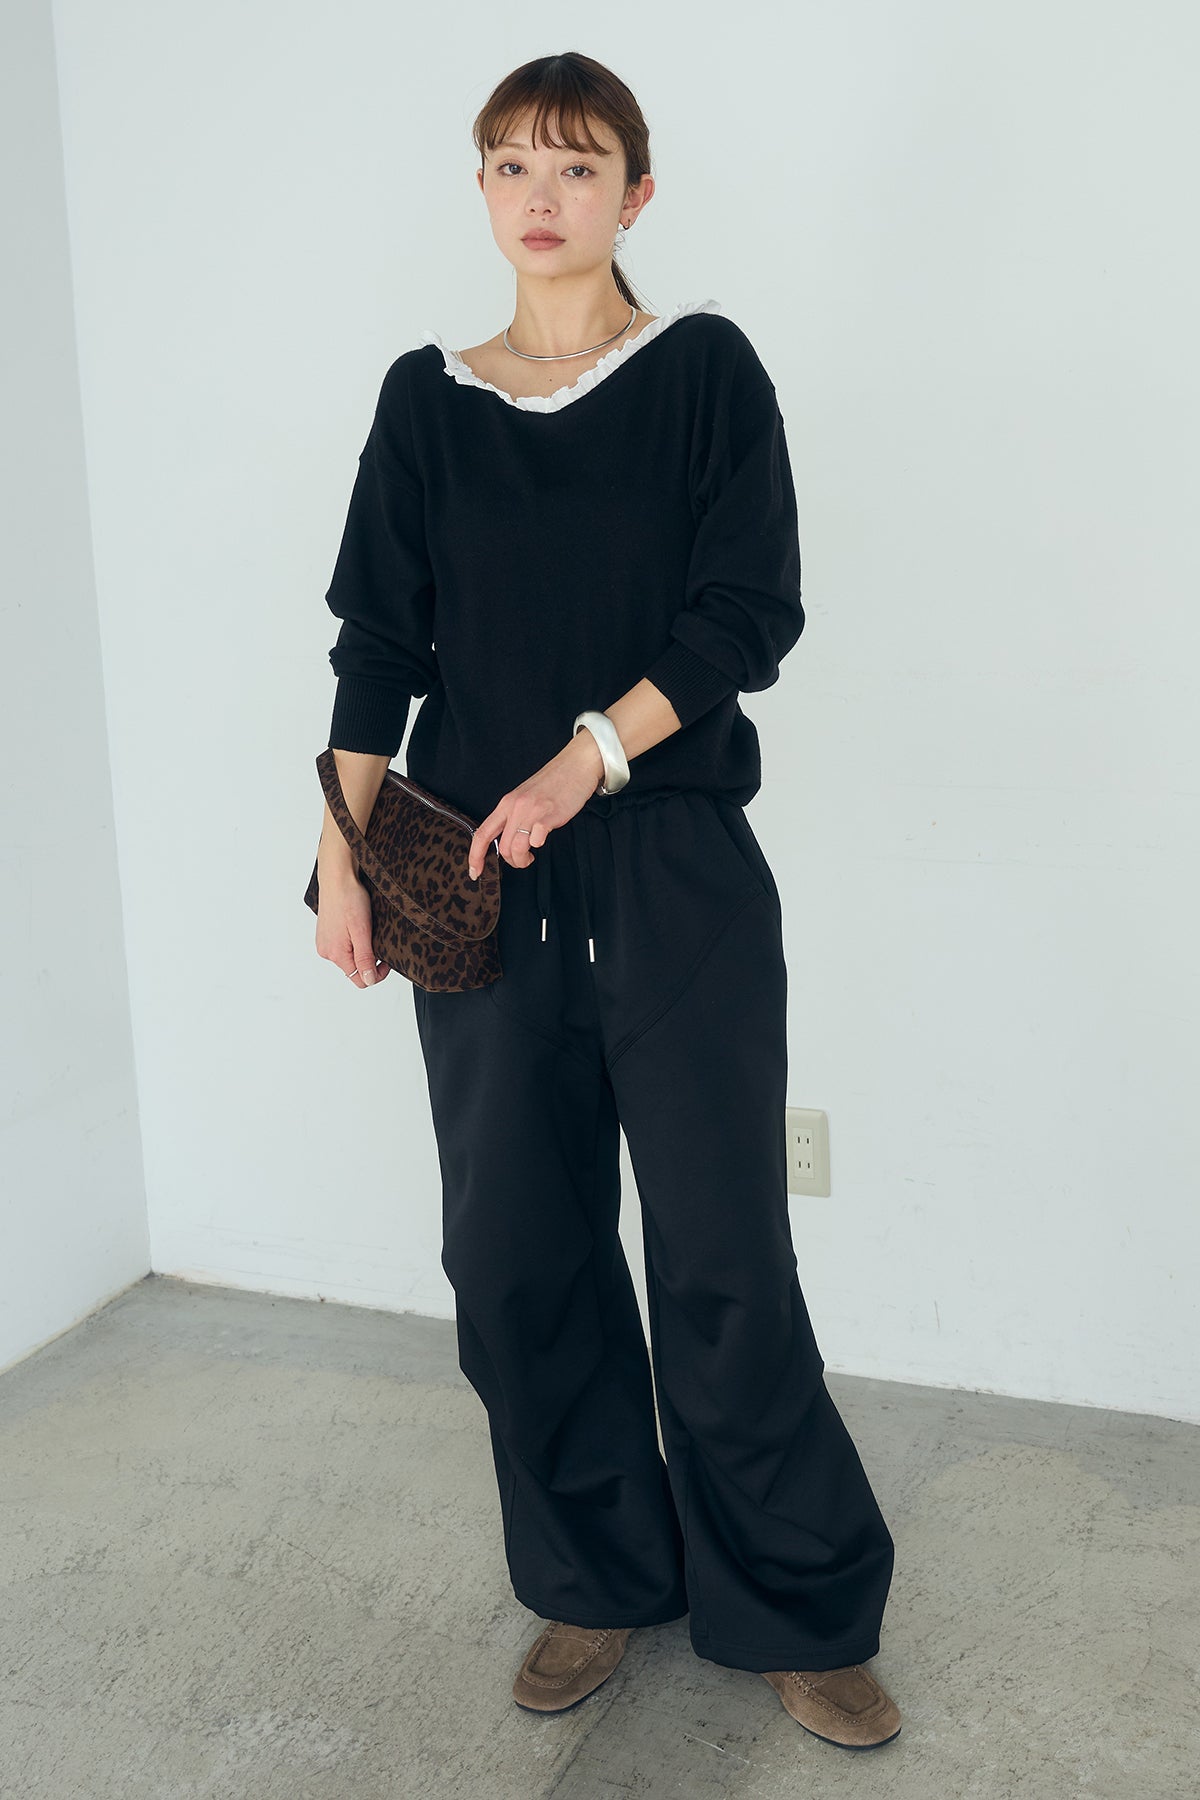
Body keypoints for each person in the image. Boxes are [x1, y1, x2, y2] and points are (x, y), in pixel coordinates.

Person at [313, 50, 901, 1753]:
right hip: (466, 880)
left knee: (723, 1254)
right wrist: (342, 853)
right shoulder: (425, 401)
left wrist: (590, 756)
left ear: (635, 193)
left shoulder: (704, 372)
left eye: (576, 167)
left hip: (673, 868)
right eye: (511, 165)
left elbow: (746, 613)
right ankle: (594, 1577)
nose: (541, 197)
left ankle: (794, 1606)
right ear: (481, 191)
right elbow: (378, 644)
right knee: (513, 1254)